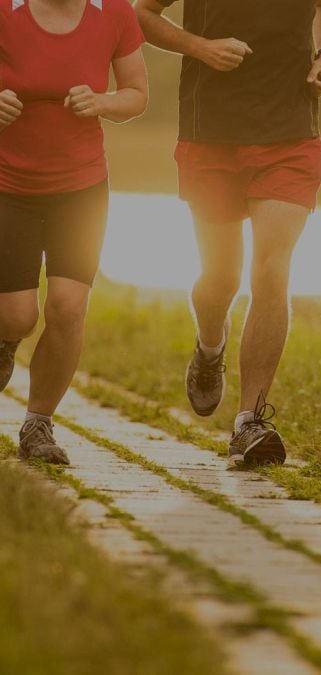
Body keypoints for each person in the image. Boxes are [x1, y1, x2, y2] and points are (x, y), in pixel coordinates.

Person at [134, 0, 321, 467]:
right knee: (219, 280)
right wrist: (200, 47)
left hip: (289, 131)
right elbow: (141, 14)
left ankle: (250, 419)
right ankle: (211, 344)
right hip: (211, 133)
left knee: (271, 270)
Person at [0, 0, 148, 464]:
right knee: (18, 316)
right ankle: (5, 341)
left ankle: (38, 423)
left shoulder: (115, 13)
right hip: (8, 185)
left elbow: (137, 93)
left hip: (81, 188)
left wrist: (102, 102)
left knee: (67, 306)